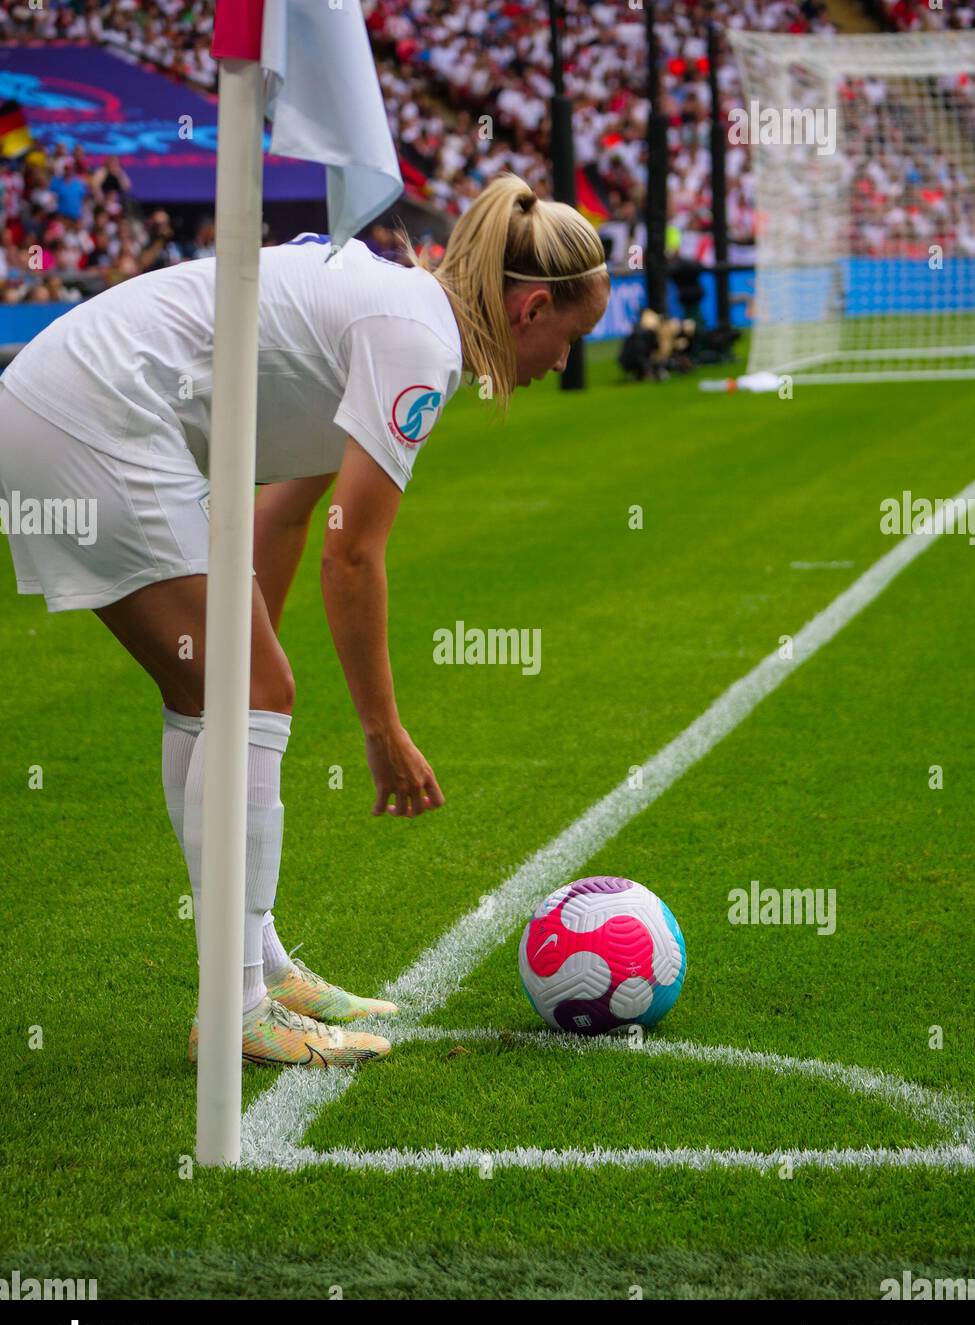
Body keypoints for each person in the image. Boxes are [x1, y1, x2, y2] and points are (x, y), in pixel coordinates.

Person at [0, 172, 610, 1069]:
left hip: (67, 406)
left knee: (225, 694)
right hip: (93, 417)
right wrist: (381, 730)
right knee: (243, 690)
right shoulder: (419, 342)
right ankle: (238, 1006)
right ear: (528, 309)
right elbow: (352, 554)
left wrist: (251, 675)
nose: (563, 361)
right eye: (570, 337)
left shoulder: (403, 317)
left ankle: (261, 971)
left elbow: (289, 513)